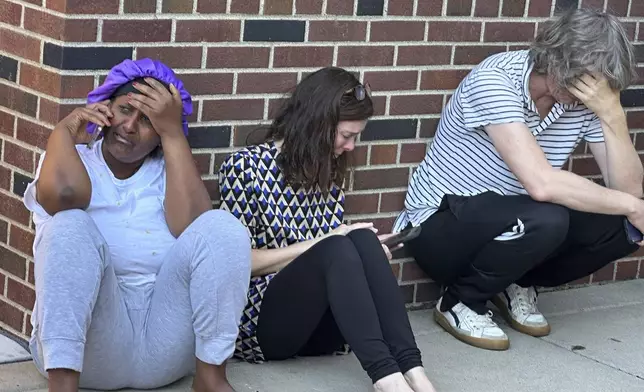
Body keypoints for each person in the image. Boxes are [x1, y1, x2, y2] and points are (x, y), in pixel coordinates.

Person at [394, 8, 642, 351]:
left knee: (626, 226)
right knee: (549, 214)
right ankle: (459, 302)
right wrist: (632, 204)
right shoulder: (495, 80)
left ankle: (516, 283)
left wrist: (613, 113)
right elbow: (540, 183)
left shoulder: (588, 103)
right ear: (560, 62)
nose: (597, 90)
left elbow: (630, 191)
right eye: (592, 79)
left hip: (515, 223)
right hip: (441, 226)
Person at [23, 58, 251, 392]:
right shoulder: (72, 159)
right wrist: (63, 131)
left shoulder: (170, 171)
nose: (129, 126)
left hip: (164, 342)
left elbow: (194, 228)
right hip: (90, 351)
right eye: (124, 110)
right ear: (104, 108)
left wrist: (172, 133)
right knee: (69, 224)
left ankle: (210, 379)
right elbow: (66, 197)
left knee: (224, 226)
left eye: (147, 121)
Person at [218, 67, 436, 392]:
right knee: (338, 244)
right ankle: (388, 380)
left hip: (321, 329)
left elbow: (333, 254)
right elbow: (238, 264)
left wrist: (363, 251)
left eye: (355, 137)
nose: (350, 146)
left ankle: (414, 371)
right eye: (346, 135)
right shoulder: (245, 168)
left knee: (361, 238)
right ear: (316, 124)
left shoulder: (329, 172)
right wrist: (327, 242)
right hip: (264, 328)